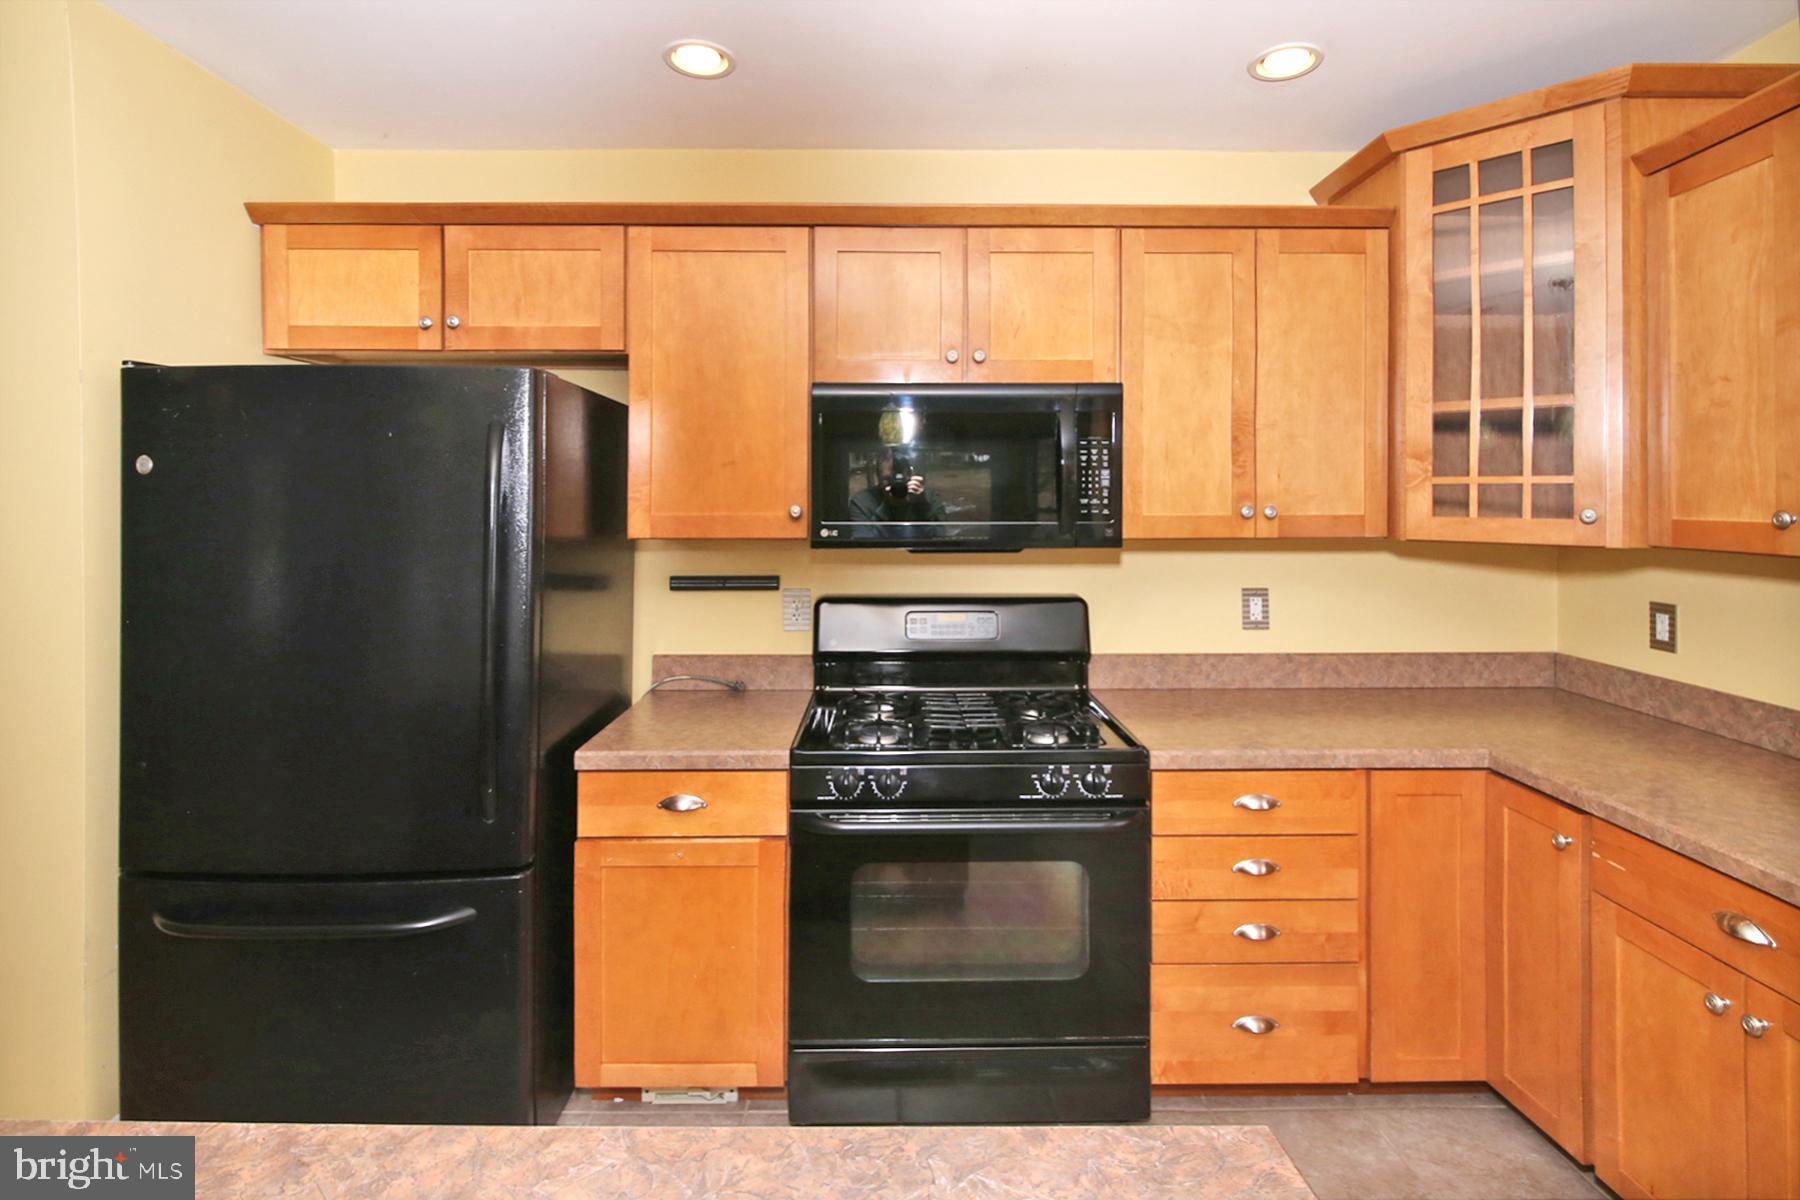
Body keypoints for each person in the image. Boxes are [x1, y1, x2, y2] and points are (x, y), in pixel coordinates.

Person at [848, 448, 947, 532]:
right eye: (887, 479)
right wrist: (887, 508)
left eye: (901, 479)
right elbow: (863, 546)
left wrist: (923, 507)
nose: (895, 484)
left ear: (910, 475)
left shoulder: (928, 497)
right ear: (878, 477)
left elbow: (941, 538)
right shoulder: (862, 503)